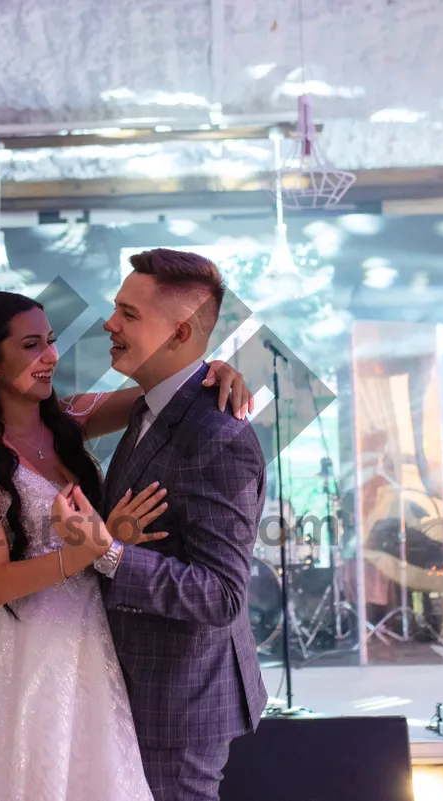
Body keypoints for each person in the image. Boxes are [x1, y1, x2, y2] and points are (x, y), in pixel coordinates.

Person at [0, 288, 255, 801]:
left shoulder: (67, 420)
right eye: (31, 346)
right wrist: (94, 547)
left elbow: (168, 392)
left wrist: (216, 370)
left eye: (51, 342)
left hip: (102, 638)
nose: (50, 357)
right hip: (37, 653)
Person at [59, 248, 268, 801]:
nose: (110, 323)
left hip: (178, 701)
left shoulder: (218, 437)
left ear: (179, 334)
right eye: (115, 309)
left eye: (129, 313)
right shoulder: (148, 407)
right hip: (126, 683)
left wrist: (107, 552)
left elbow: (222, 595)